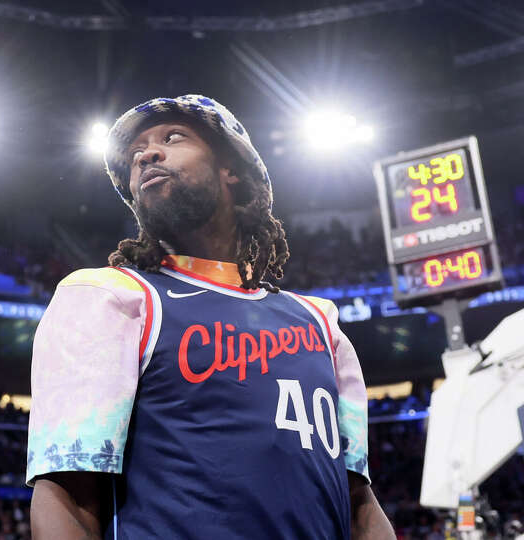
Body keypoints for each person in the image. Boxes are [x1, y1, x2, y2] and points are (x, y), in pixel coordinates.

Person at [27, 95, 395, 539]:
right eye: (135, 153)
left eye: (172, 136)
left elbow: (360, 504)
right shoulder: (109, 296)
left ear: (232, 169)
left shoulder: (320, 322)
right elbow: (65, 494)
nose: (146, 154)